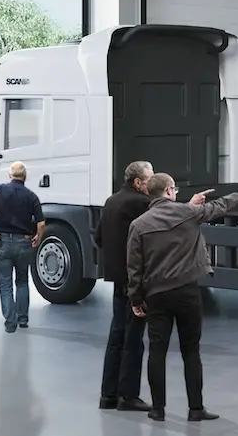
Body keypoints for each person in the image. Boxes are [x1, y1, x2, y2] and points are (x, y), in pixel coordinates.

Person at [127, 174, 238, 423]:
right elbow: (221, 205)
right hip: (187, 292)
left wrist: (136, 299)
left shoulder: (139, 224)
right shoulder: (189, 213)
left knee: (156, 351)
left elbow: (134, 268)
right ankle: (195, 408)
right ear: (169, 191)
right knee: (191, 351)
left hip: (157, 295)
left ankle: (157, 409)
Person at [95, 160, 156, 412]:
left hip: (117, 278)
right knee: (133, 338)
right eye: (150, 179)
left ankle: (108, 395)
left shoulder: (111, 201)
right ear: (138, 182)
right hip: (134, 280)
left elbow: (99, 237)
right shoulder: (140, 204)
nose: (153, 183)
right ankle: (128, 396)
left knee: (116, 335)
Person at [0, 162, 46, 334]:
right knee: (22, 281)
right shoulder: (31, 196)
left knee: (5, 284)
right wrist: (38, 237)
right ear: (25, 177)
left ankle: (10, 323)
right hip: (24, 242)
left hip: (2, 242)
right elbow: (41, 223)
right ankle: (23, 319)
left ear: (10, 175)